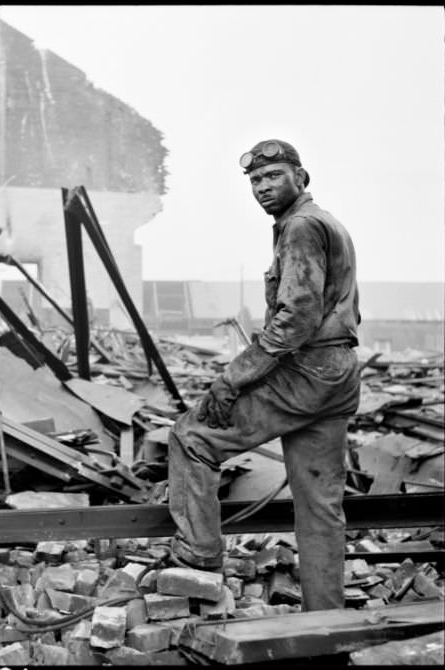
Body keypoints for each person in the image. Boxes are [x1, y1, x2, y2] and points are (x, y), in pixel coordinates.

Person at [167, 139, 361, 612]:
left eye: (273, 176)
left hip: (307, 372)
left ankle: (200, 554)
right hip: (337, 375)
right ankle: (325, 622)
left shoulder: (299, 226)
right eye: (255, 180)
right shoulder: (322, 222)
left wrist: (234, 377)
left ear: (301, 176)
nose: (262, 187)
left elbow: (295, 317)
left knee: (192, 435)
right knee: (319, 508)